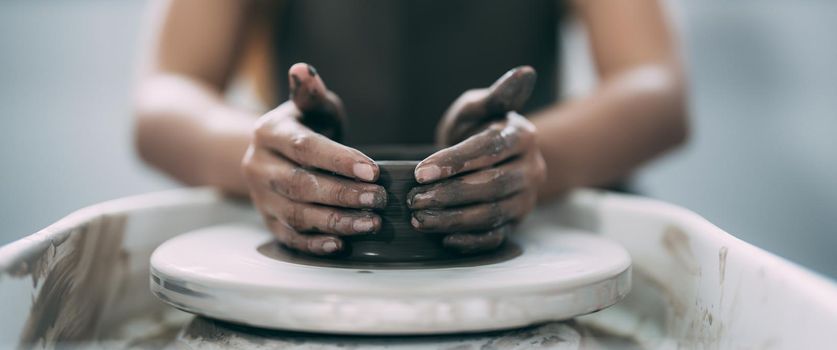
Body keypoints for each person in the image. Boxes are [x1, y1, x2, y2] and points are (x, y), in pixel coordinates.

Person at [135, 0, 687, 256]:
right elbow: (164, 98)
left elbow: (658, 89)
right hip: (320, 239)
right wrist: (272, 159)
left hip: (525, 216)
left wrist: (530, 158)